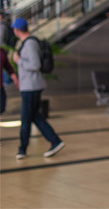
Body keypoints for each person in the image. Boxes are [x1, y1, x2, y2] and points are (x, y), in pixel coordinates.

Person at [11, 18, 65, 160]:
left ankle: (22, 149)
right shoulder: (28, 43)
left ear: (17, 30)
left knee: (26, 118)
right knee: (34, 116)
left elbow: (35, 65)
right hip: (30, 85)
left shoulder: (29, 44)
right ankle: (55, 141)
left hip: (31, 87)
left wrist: (19, 61)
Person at [0, 48, 18, 114]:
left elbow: (7, 66)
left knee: (1, 108)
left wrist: (15, 78)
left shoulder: (1, 51)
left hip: (0, 87)